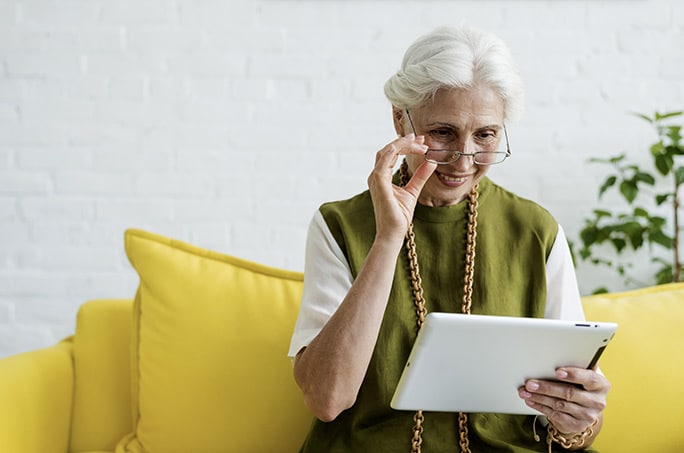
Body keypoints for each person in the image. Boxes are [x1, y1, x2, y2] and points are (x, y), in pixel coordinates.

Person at [288, 25, 610, 452]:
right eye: (442, 132)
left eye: (486, 135)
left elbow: (573, 421)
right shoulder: (340, 225)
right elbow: (327, 399)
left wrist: (578, 418)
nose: (465, 158)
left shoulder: (536, 229)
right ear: (400, 118)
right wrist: (388, 238)